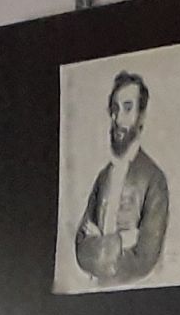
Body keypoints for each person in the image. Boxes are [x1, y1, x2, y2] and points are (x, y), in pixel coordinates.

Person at [71, 69, 170, 284]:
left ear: (141, 116)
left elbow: (145, 258)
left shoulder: (154, 179)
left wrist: (100, 244)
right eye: (115, 109)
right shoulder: (103, 177)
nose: (118, 119)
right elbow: (80, 247)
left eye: (127, 108)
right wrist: (121, 242)